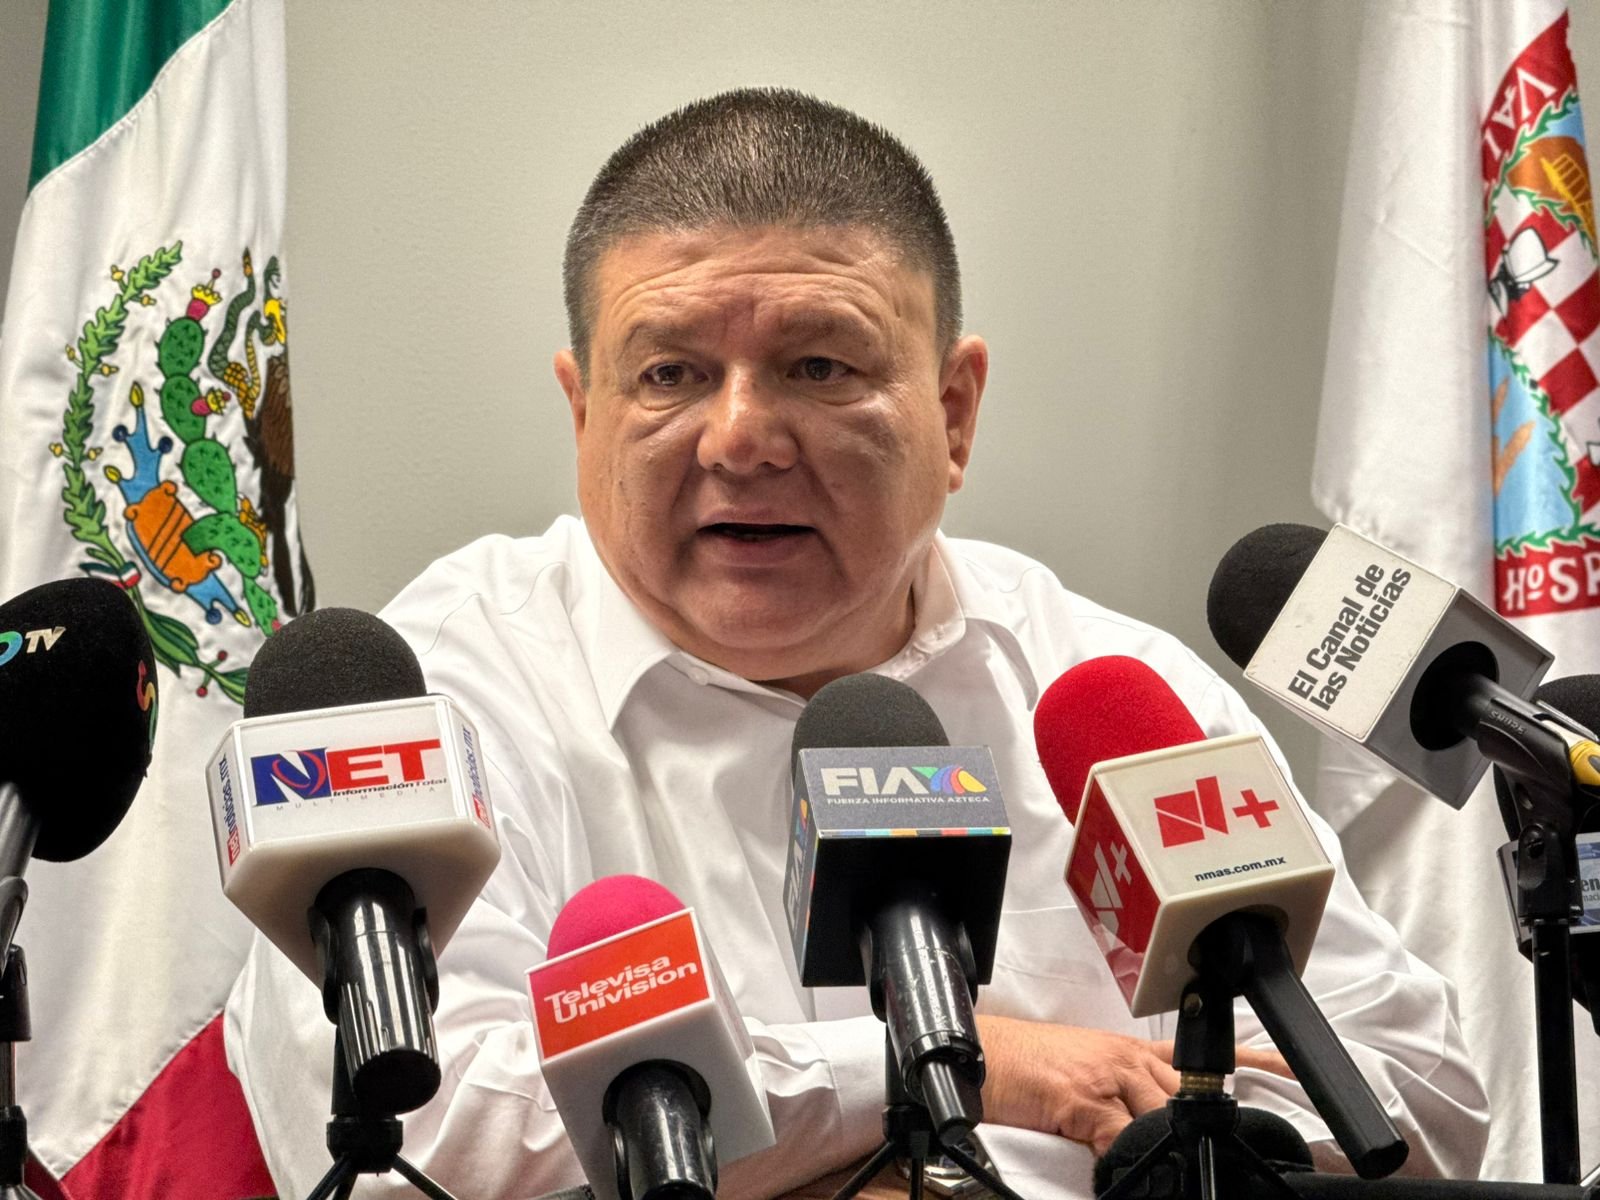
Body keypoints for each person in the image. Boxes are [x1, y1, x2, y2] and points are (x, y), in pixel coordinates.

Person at [225, 89, 1488, 1199]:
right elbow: (414, 1146)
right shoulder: (442, 694)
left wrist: (1140, 1150)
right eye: (668, 375)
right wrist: (955, 1071)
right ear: (583, 412)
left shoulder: (1099, 689)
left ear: (953, 412)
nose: (740, 438)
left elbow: (1414, 1095)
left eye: (820, 367)